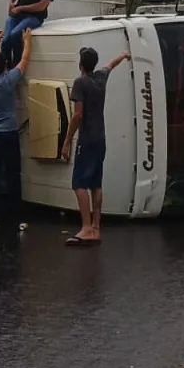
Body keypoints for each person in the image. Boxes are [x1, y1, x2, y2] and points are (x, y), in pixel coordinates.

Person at [60, 46, 130, 246]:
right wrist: (124, 55)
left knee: (79, 184)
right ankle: (96, 227)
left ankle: (86, 228)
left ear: (80, 64)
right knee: (96, 184)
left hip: (87, 139)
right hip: (101, 138)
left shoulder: (80, 83)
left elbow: (78, 115)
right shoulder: (101, 77)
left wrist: (67, 141)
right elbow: (111, 65)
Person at [0, 28, 34, 230]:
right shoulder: (8, 81)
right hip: (9, 133)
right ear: (4, 68)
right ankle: (14, 209)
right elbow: (24, 62)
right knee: (12, 172)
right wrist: (27, 41)